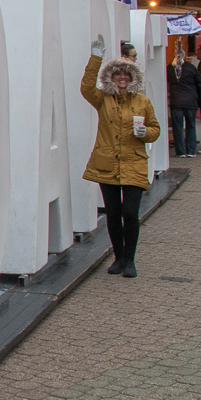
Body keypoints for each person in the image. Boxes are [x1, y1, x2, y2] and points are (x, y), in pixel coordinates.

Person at [81, 36, 161, 278]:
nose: (123, 78)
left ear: (133, 77)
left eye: (127, 74)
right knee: (113, 214)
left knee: (130, 213)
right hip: (107, 164)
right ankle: (118, 257)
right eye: (118, 74)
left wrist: (145, 132)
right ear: (111, 77)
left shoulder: (143, 102)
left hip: (134, 163)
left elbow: (155, 129)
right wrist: (95, 58)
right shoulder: (103, 99)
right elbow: (85, 87)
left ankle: (130, 259)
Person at [169, 47, 201, 158]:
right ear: (183, 56)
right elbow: (200, 83)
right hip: (191, 101)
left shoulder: (170, 68)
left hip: (176, 101)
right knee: (191, 126)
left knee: (177, 127)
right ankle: (191, 151)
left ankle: (180, 151)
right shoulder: (191, 68)